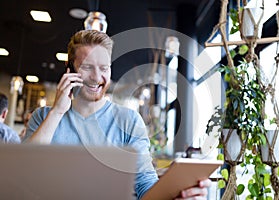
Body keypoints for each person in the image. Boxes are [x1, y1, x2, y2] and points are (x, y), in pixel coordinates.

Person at [25, 30, 211, 199]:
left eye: (104, 68)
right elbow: (24, 173)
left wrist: (174, 195)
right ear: (70, 68)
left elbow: (145, 184)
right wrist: (57, 111)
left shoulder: (128, 121)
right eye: (87, 67)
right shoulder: (43, 117)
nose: (97, 77)